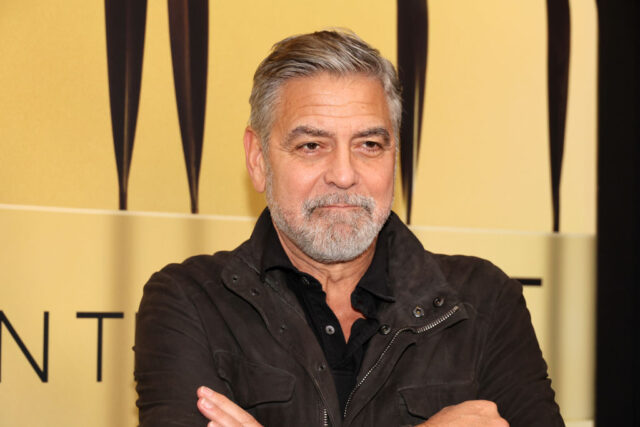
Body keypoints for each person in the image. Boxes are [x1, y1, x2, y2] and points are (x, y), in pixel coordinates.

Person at [134, 30, 564, 426]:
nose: (343, 174)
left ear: (395, 154)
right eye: (312, 145)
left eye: (369, 145)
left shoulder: (482, 302)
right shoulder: (189, 302)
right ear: (259, 160)